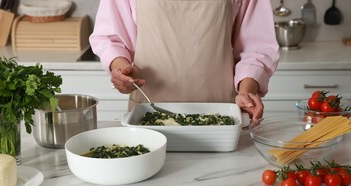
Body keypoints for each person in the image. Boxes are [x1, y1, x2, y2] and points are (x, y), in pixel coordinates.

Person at [89, 0, 279, 121]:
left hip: (223, 117)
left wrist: (246, 92)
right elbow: (112, 37)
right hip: (147, 116)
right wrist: (122, 69)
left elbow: (256, 46)